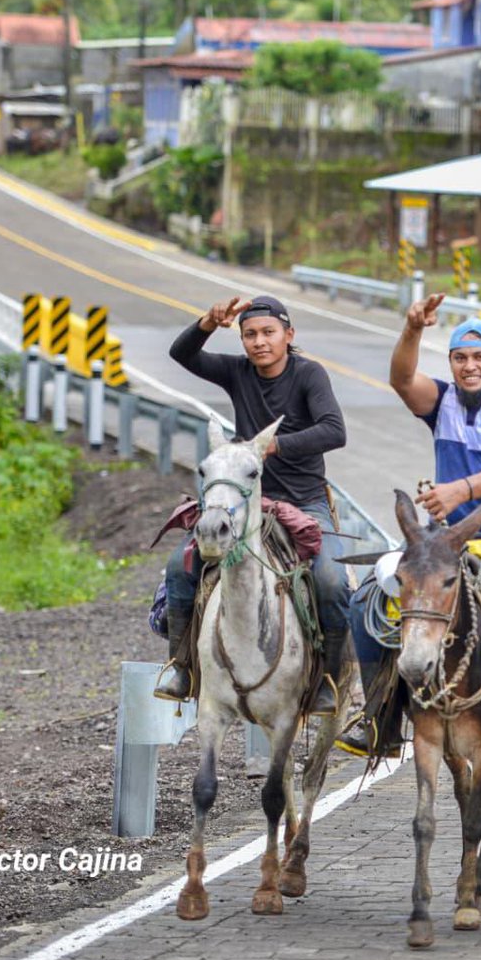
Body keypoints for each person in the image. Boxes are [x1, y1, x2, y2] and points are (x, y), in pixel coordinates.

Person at [341, 295, 481, 775]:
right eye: (460, 358)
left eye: (480, 357)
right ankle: (378, 718)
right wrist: (411, 329)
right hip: (443, 547)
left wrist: (460, 489)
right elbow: (402, 379)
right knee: (368, 600)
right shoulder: (441, 400)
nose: (470, 366)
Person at [155, 295, 353, 715]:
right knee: (180, 566)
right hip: (248, 504)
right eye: (250, 334)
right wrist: (208, 322)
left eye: (268, 333)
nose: (259, 342)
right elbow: (181, 353)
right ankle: (182, 667)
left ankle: (329, 683)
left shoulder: (309, 375)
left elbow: (334, 431)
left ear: (288, 335)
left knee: (333, 581)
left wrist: (272, 446)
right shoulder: (237, 372)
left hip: (306, 503)